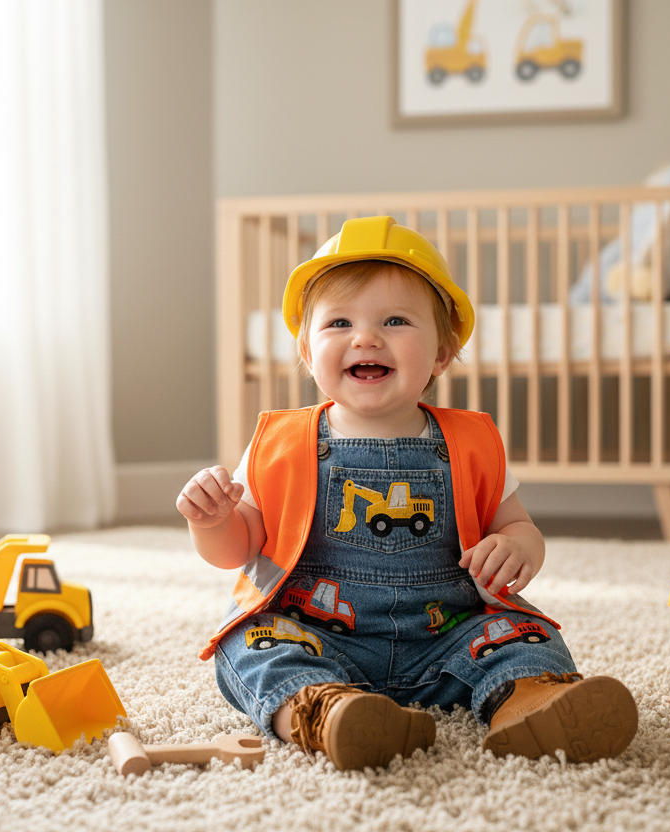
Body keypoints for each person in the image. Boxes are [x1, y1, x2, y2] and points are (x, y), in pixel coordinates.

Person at [177, 216, 637, 770]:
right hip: (320, 632)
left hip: (449, 634)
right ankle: (322, 711)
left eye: (395, 321)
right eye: (340, 322)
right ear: (306, 350)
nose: (365, 337)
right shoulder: (280, 441)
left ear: (441, 354)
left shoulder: (471, 442)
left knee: (525, 635)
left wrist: (519, 547)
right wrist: (212, 522)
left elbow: (516, 525)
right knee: (248, 644)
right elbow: (240, 549)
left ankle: (530, 700)